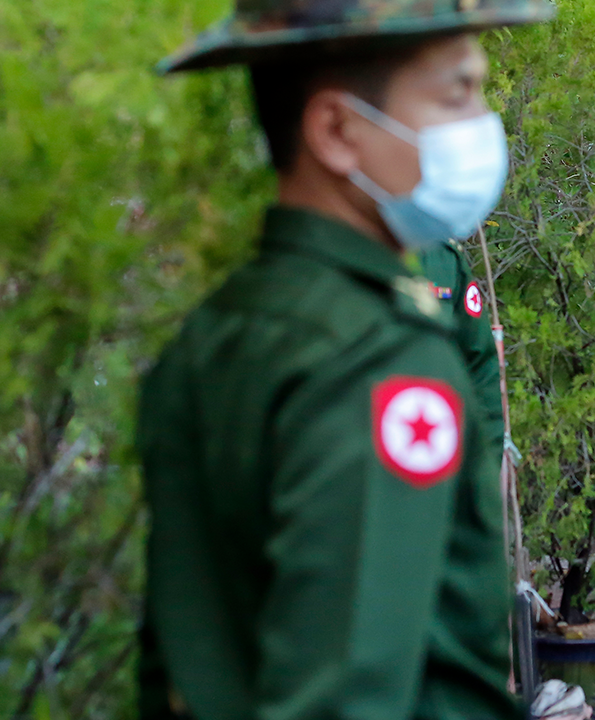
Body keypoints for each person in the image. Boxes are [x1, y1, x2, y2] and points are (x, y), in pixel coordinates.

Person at [137, 0, 551, 717]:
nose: (483, 125)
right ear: (336, 131)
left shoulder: (219, 330)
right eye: (458, 92)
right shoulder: (379, 361)